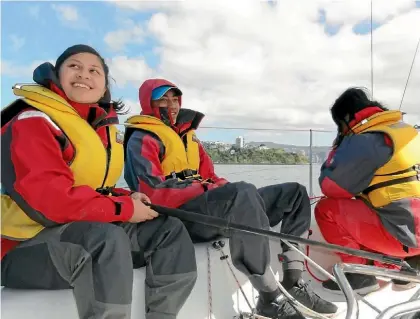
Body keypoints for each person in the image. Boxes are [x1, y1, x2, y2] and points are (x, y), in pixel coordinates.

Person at [1, 45, 197, 319]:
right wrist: (125, 210)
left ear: (104, 86)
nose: (84, 74)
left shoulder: (98, 128)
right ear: (56, 76)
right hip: (19, 249)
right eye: (74, 66)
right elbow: (51, 200)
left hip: (72, 232)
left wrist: (125, 197)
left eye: (94, 70)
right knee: (105, 240)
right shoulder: (32, 122)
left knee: (168, 230)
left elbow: (92, 188)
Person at [123, 78, 338, 319]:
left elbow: (211, 176)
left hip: (206, 208)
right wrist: (217, 192)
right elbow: (151, 192)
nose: (171, 105)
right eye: (163, 99)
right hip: (179, 218)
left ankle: (293, 280)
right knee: (242, 194)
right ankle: (268, 296)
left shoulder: (187, 136)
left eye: (175, 99)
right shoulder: (142, 137)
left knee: (294, 193)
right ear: (147, 102)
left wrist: (230, 191)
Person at [314, 87, 420, 294]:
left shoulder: (367, 139)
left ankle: (360, 276)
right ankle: (409, 266)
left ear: (346, 119)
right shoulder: (408, 133)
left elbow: (330, 187)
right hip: (414, 235)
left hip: (407, 239)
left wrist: (337, 149)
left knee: (326, 210)